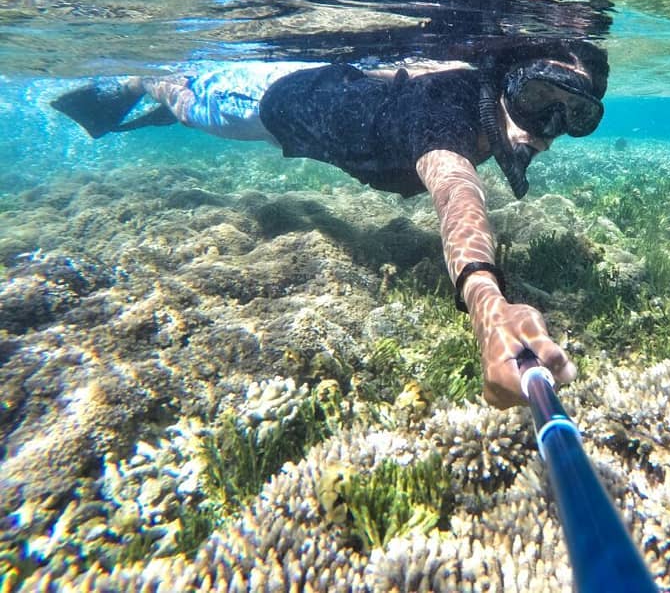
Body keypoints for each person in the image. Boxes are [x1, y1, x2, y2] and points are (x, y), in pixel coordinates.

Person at [51, 35, 608, 409]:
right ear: (507, 81)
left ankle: (151, 99)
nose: (547, 127)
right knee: (190, 107)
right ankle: (140, 81)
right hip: (272, 103)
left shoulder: (493, 110)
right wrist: (488, 305)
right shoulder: (449, 112)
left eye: (575, 114)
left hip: (327, 92)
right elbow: (456, 189)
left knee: (189, 112)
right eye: (538, 97)